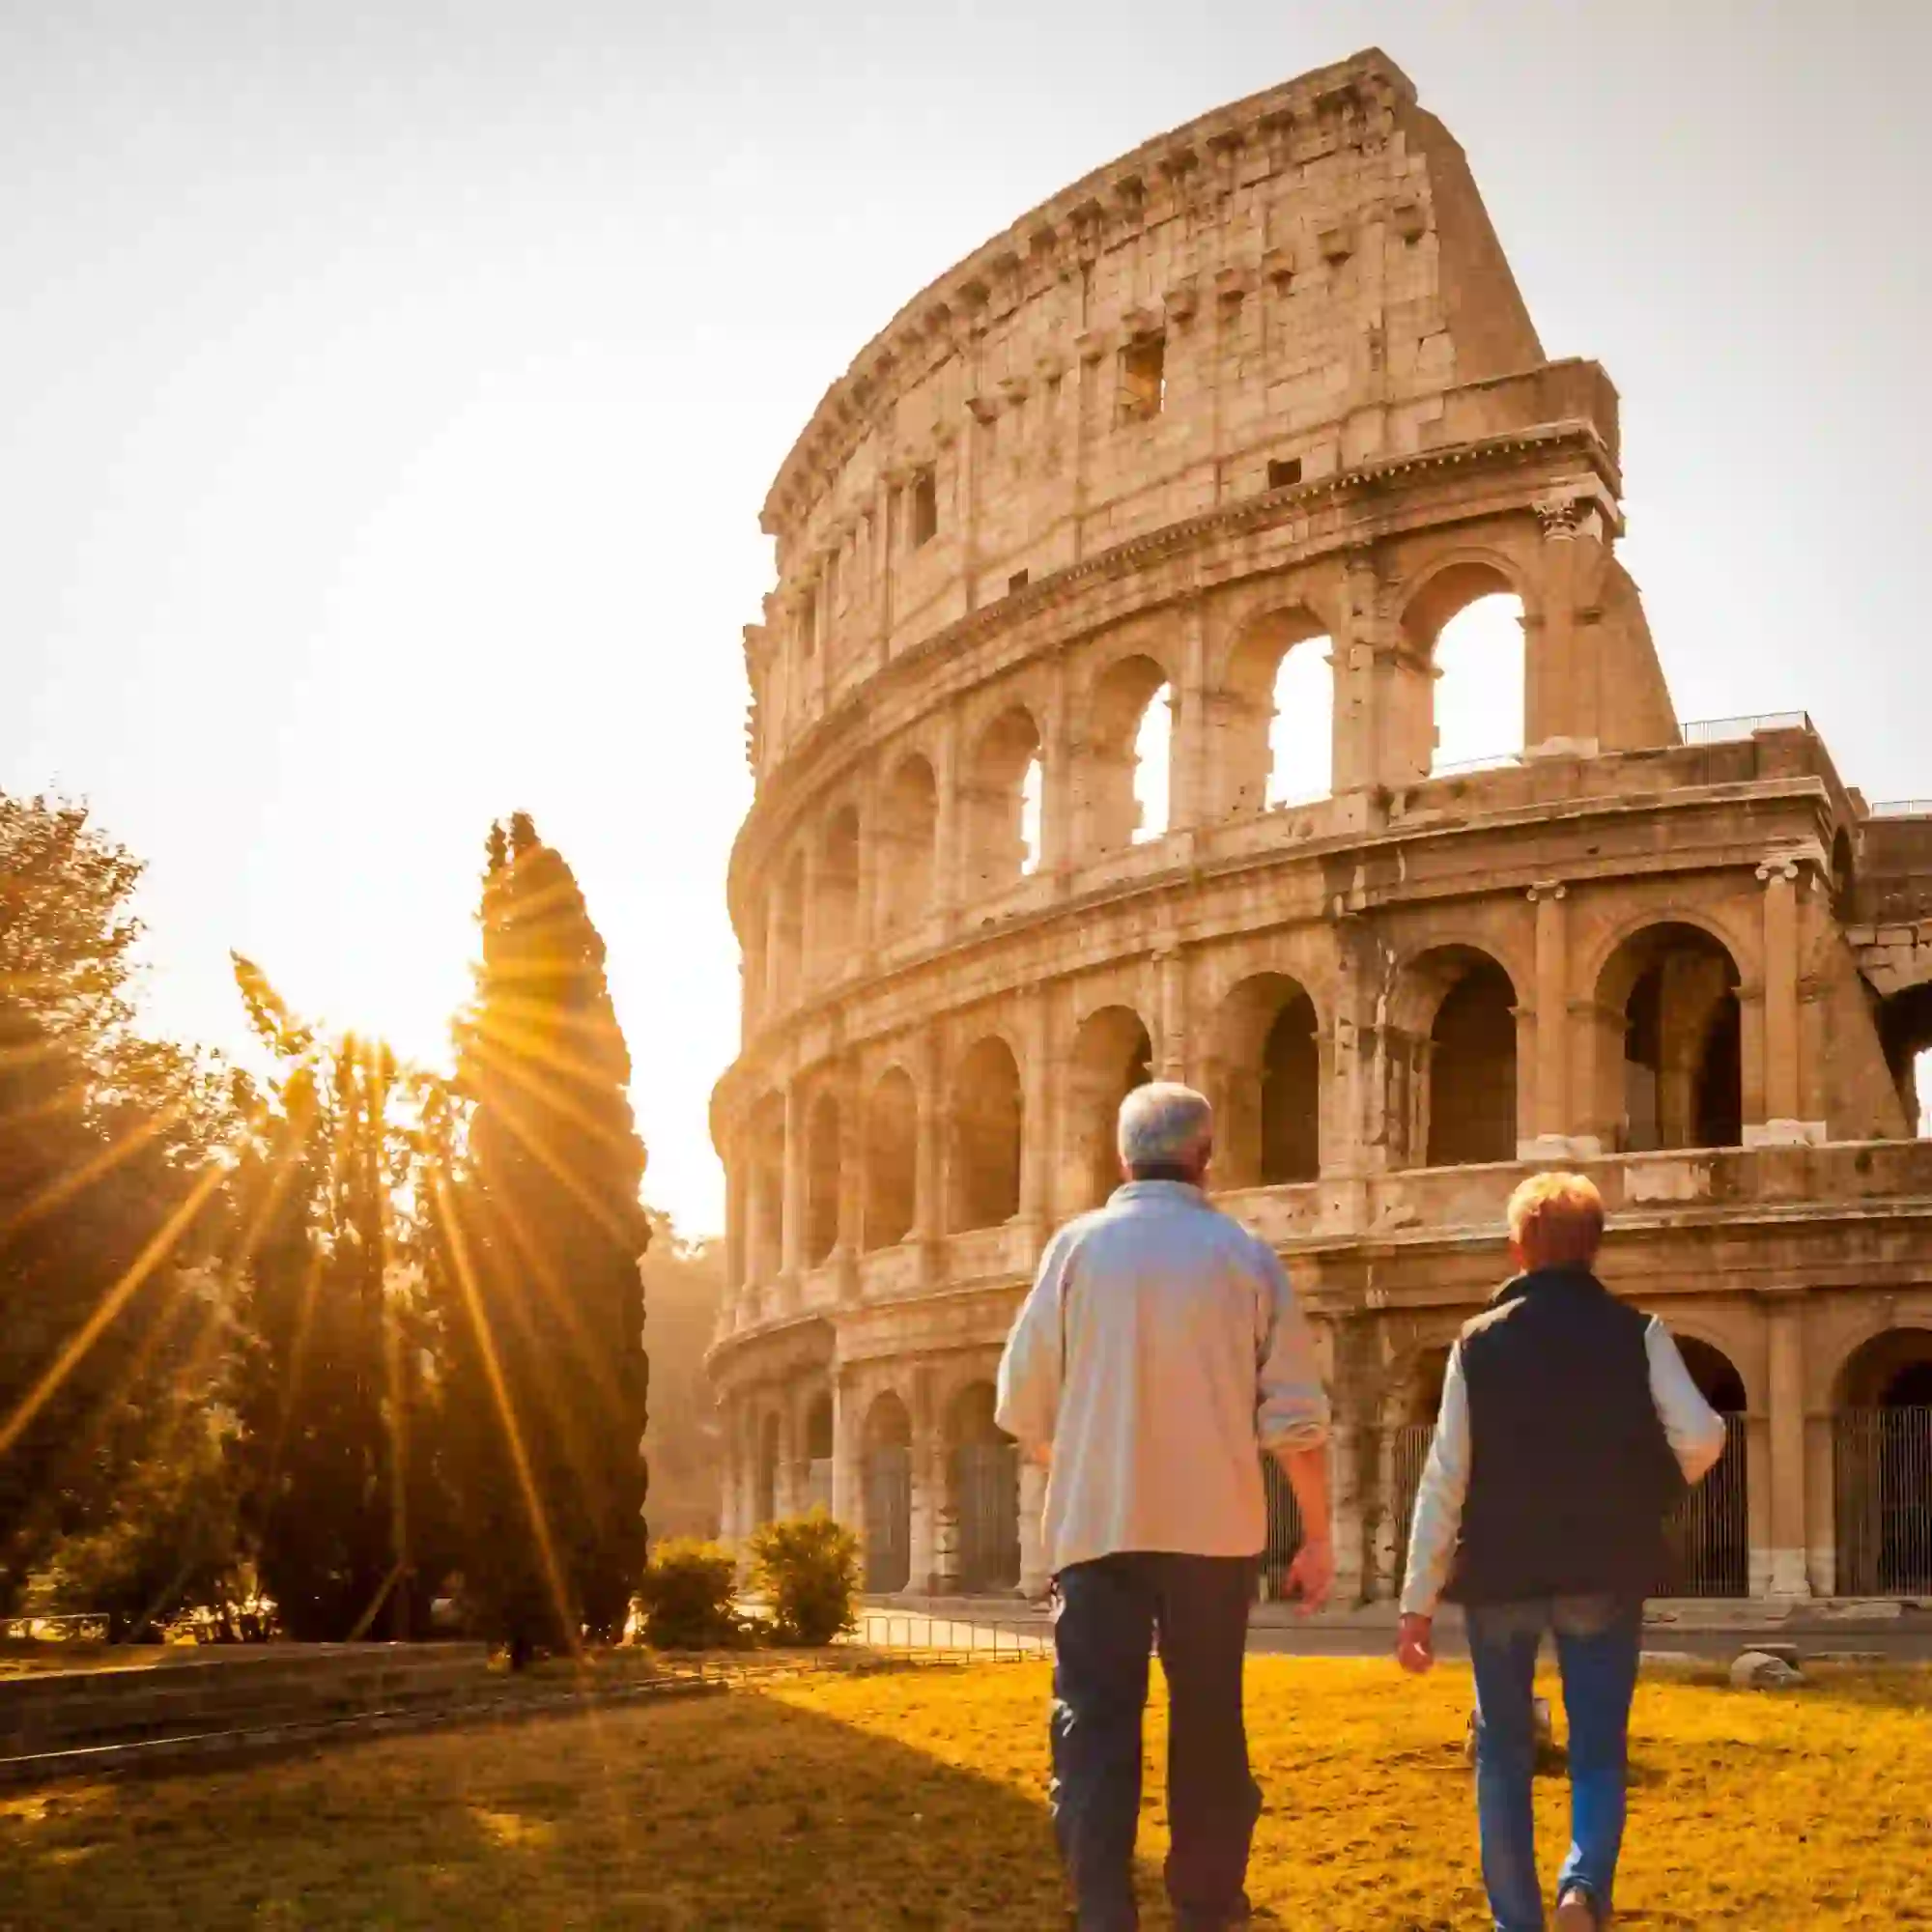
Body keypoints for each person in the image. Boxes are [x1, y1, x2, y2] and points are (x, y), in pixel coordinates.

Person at [995, 1081, 1332, 1932]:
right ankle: (1208, 1911)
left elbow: (1021, 1402)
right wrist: (1319, 1536)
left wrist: (1077, 1463)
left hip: (1098, 1530)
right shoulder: (1245, 1257)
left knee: (1096, 1727)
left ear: (1122, 1156)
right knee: (1210, 1727)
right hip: (1213, 1534)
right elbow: (1296, 1419)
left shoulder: (1073, 1250)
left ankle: (1104, 1912)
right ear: (1206, 1157)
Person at [1396, 1171, 1726, 1932]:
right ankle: (1582, 1888)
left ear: (1517, 1250)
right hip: (1604, 1566)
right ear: (1595, 1250)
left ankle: (1517, 1921)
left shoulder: (1477, 1344)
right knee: (1599, 1749)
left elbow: (1445, 1476)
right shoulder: (1637, 1333)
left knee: (1504, 1755)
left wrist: (1417, 1604)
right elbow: (1704, 1437)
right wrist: (1649, 1483)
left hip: (1501, 1574)